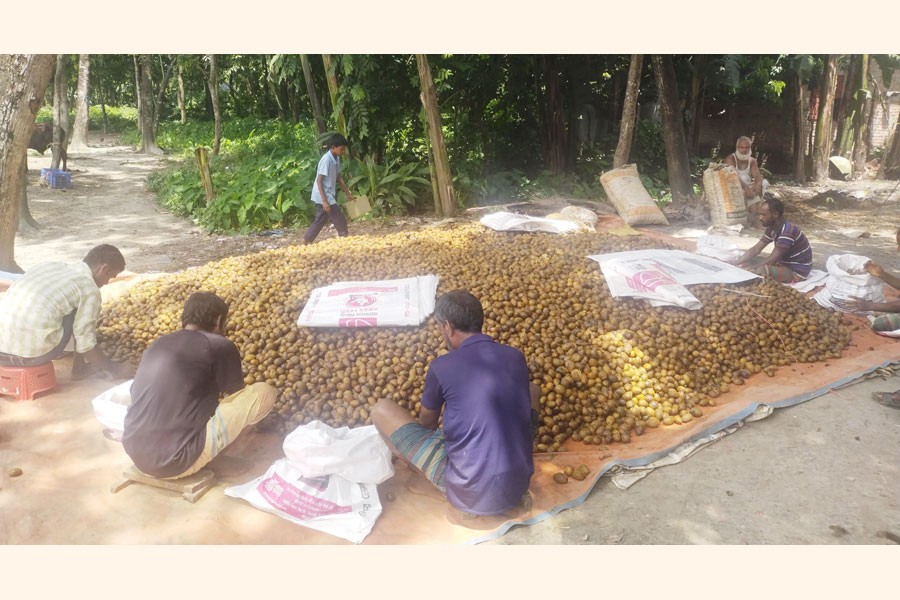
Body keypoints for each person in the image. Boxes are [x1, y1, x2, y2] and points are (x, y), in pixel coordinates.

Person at [371, 290, 541, 518]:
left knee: (380, 409)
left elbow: (427, 426)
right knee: (534, 389)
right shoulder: (515, 356)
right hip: (517, 484)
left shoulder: (441, 366)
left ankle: (412, 464)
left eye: (440, 328)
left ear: (448, 327)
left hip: (467, 493)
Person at [123, 292, 276, 479]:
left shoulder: (157, 344)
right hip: (176, 463)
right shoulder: (219, 344)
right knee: (263, 393)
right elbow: (235, 395)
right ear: (219, 320)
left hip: (136, 454)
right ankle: (213, 458)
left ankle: (199, 451)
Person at [0, 244, 128, 379]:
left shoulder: (47, 266)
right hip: (29, 357)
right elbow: (85, 342)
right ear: (104, 269)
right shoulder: (88, 287)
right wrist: (114, 369)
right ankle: (79, 370)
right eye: (110, 277)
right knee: (80, 318)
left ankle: (79, 368)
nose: (107, 283)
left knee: (65, 308)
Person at [735, 198, 812, 283]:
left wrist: (751, 269)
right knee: (748, 261)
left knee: (761, 270)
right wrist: (735, 263)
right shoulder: (772, 228)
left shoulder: (786, 232)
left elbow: (772, 259)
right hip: (784, 264)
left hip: (796, 271)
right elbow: (756, 249)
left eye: (764, 215)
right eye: (759, 214)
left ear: (775, 214)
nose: (760, 218)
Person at [302, 134, 356, 245]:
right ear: (333, 147)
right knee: (338, 216)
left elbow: (339, 178)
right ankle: (344, 237)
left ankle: (306, 240)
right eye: (341, 149)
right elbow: (319, 181)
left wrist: (348, 194)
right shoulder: (326, 160)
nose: (343, 152)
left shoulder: (336, 159)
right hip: (322, 194)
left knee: (320, 219)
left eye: (344, 149)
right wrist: (324, 201)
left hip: (327, 193)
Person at [724, 136, 769, 227]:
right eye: (742, 147)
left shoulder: (752, 161)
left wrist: (757, 185)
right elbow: (733, 176)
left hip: (748, 188)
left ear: (750, 148)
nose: (744, 150)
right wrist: (747, 188)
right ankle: (754, 215)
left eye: (747, 147)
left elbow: (757, 177)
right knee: (751, 200)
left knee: (763, 183)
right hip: (734, 186)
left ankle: (754, 214)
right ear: (737, 148)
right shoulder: (731, 159)